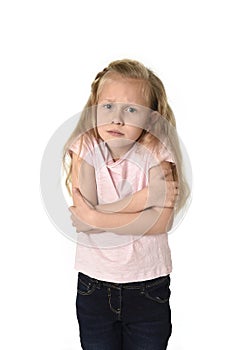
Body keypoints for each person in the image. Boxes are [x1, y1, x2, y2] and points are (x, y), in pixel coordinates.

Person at [63, 59, 190, 350]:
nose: (117, 119)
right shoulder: (84, 148)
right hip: (94, 285)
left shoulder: (157, 151)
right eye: (108, 106)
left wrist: (95, 217)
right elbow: (85, 213)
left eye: (131, 110)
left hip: (148, 286)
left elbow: (159, 223)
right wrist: (145, 199)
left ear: (151, 119)